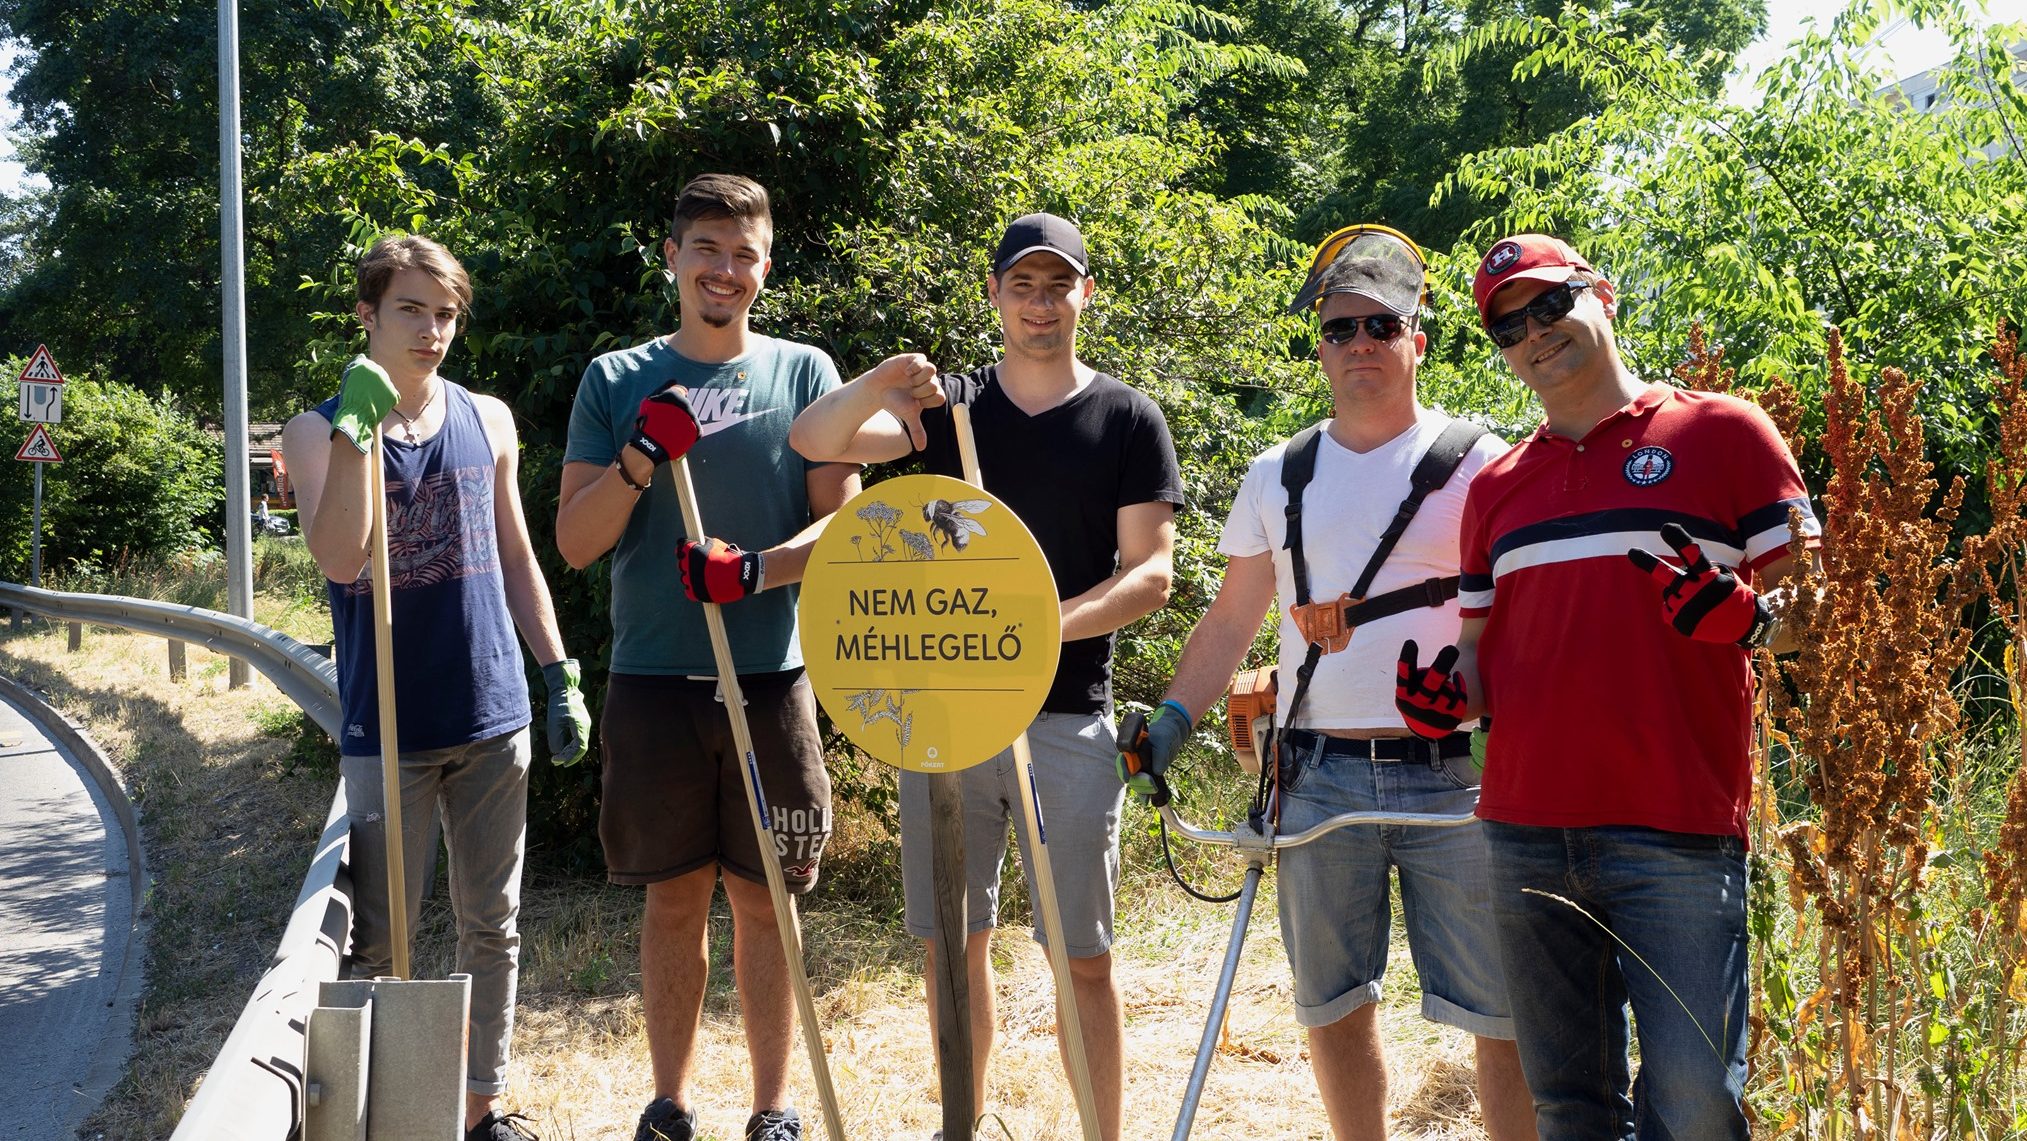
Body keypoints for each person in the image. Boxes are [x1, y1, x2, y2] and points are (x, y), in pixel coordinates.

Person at [1397, 233, 1820, 1139]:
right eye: (1508, 327)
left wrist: (1751, 621)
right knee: (1570, 1109)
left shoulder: (1725, 433)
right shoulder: (1498, 485)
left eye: (1549, 304)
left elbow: (1822, 628)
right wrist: (1443, 696)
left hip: (1674, 828)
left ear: (1604, 295)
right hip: (1522, 831)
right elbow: (1474, 657)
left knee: (1696, 1105)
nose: (1533, 334)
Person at [1117, 225, 1534, 1141]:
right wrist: (1176, 720)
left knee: (1501, 1013)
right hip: (1317, 776)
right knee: (1331, 1004)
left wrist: (1491, 706)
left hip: (1454, 774)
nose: (1359, 346)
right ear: (1318, 349)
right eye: (1339, 329)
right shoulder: (1279, 473)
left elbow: (1525, 612)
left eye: (1380, 327)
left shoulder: (1482, 460)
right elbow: (1231, 619)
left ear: (1416, 339)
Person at [789, 212, 1181, 1140]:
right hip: (946, 717)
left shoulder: (1127, 418)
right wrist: (886, 381)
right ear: (996, 294)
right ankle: (959, 1128)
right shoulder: (952, 411)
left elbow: (1149, 574)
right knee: (953, 950)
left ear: (1086, 293)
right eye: (1022, 285)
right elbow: (817, 441)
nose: (1040, 304)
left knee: (1081, 955)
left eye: (1058, 285)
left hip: (1067, 722)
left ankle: (1100, 1134)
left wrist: (1036, 629)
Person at [554, 173, 864, 1141]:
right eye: (705, 249)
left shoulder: (804, 374)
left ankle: (772, 1107)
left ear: (764, 267)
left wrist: (759, 571)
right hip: (652, 677)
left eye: (742, 254)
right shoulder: (616, 378)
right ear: (672, 258)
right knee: (674, 897)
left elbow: (852, 530)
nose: (723, 270)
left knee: (766, 897)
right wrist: (641, 461)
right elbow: (574, 540)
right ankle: (669, 1102)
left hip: (770, 676)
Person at [281, 234, 591, 1141]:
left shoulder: (486, 415)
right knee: (380, 943)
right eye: (411, 309)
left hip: (493, 714)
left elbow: (517, 550)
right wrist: (352, 433)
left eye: (445, 312)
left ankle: (479, 1107)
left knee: (490, 925)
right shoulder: (316, 428)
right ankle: (374, 1119)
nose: (432, 330)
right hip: (391, 728)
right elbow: (342, 556)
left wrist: (557, 668)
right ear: (366, 315)